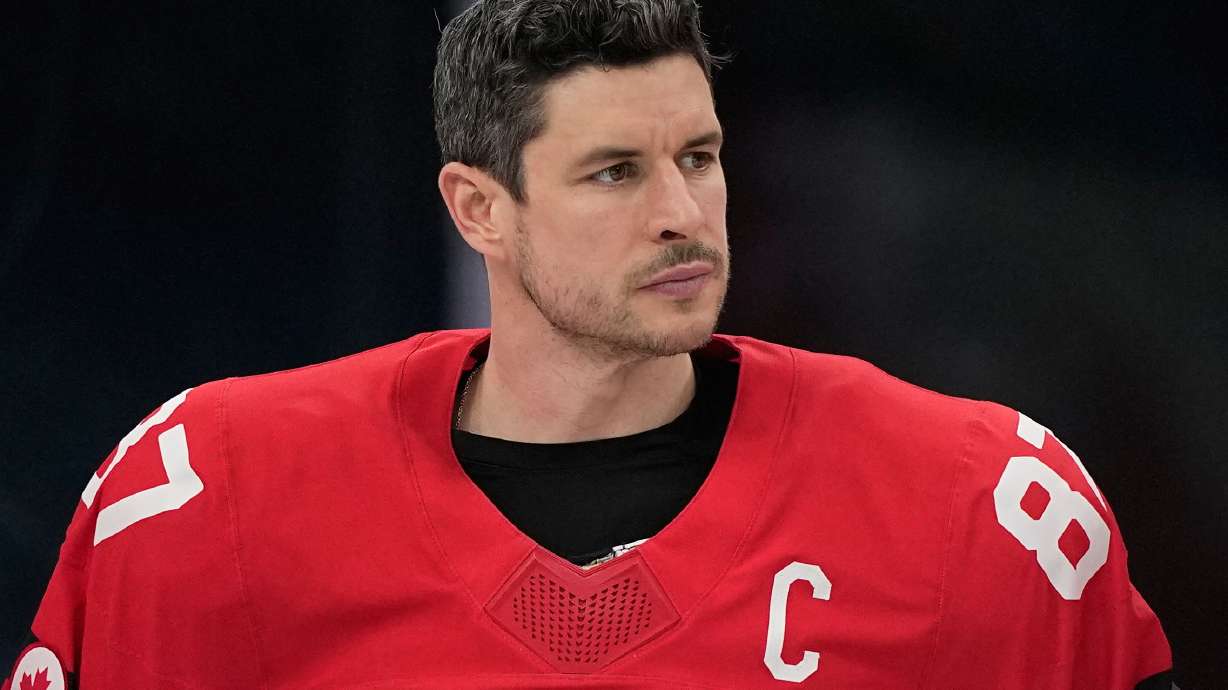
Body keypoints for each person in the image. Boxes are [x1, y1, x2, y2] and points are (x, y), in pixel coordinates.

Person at [6, 1, 1173, 688]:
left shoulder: (976, 512)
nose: (681, 213)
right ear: (478, 210)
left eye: (698, 157)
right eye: (613, 172)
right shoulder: (211, 500)